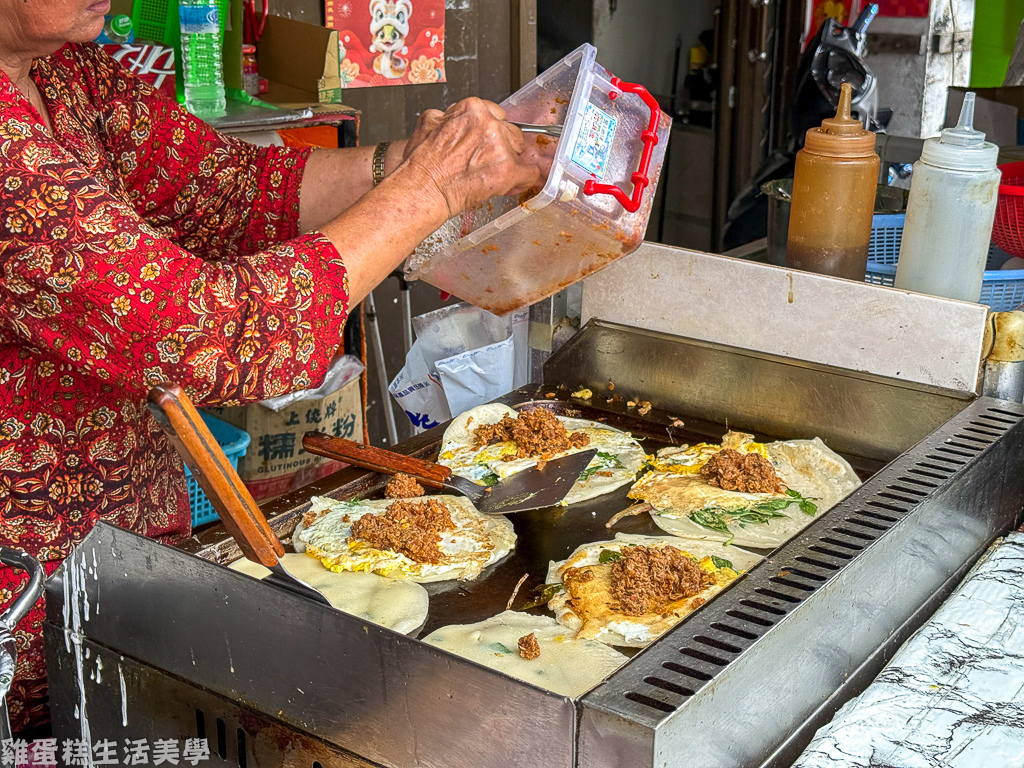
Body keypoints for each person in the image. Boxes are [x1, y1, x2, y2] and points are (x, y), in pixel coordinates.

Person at [0, 0, 547, 732]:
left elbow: (226, 190)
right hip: (24, 610)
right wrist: (431, 189)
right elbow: (205, 330)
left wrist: (403, 167)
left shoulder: (67, 70)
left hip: (118, 574)